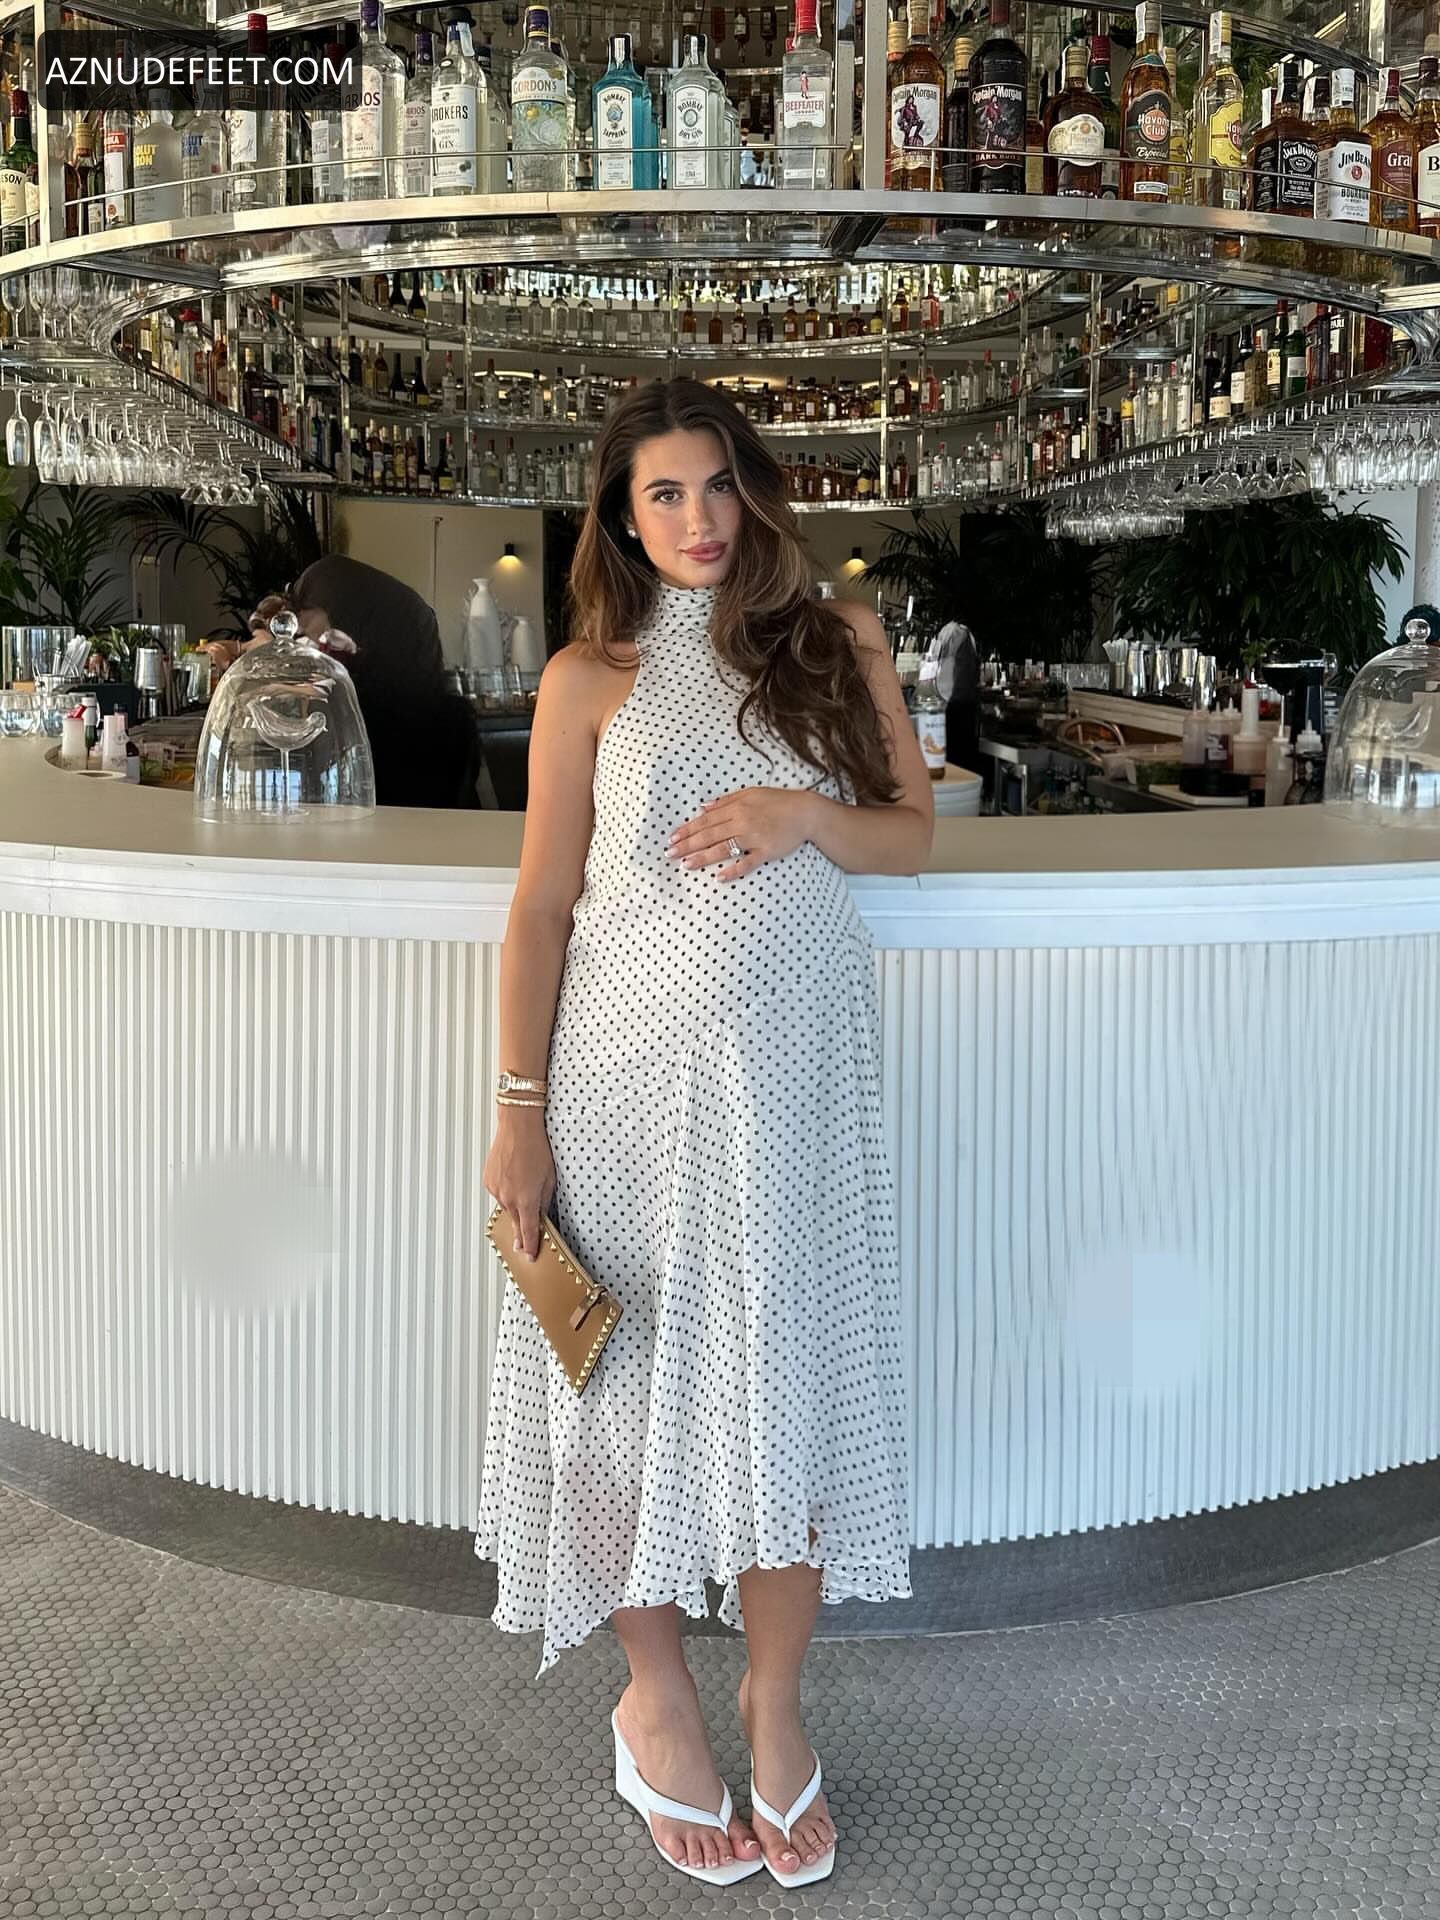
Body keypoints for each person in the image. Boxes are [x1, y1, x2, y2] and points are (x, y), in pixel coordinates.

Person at [474, 377, 933, 1889]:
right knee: (619, 1396)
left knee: (787, 1382)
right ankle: (656, 1699)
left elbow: (911, 839)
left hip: (794, 1097)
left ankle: (773, 1705)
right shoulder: (586, 676)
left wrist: (802, 817)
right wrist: (518, 1117)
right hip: (616, 1093)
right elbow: (543, 906)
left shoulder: (837, 639)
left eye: (718, 485)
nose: (696, 519)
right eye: (662, 494)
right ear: (620, 517)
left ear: (758, 491)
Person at [210, 555, 485, 810]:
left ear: (348, 618)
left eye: (306, 613)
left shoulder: (355, 713)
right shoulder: (444, 715)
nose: (301, 627)